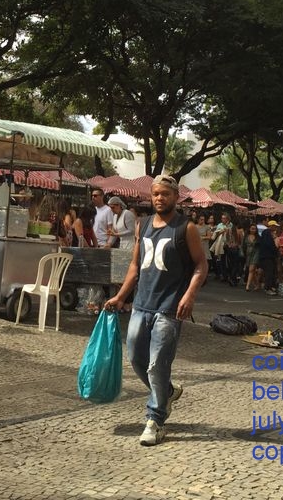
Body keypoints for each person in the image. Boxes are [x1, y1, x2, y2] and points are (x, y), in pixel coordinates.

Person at [104, 174, 206, 447]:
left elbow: (201, 265)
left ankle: (156, 419)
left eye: (165, 194)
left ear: (176, 197)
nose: (160, 198)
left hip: (170, 307)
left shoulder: (187, 228)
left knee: (157, 364)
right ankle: (168, 392)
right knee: (136, 357)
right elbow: (135, 266)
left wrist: (189, 296)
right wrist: (120, 296)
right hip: (141, 304)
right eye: (156, 194)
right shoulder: (143, 224)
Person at [258, 220, 279, 294]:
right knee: (269, 272)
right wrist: (275, 250)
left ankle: (270, 286)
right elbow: (269, 244)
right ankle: (267, 288)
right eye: (275, 226)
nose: (276, 228)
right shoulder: (267, 233)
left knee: (272, 271)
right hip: (267, 255)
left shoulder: (268, 233)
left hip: (268, 255)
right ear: (271, 226)